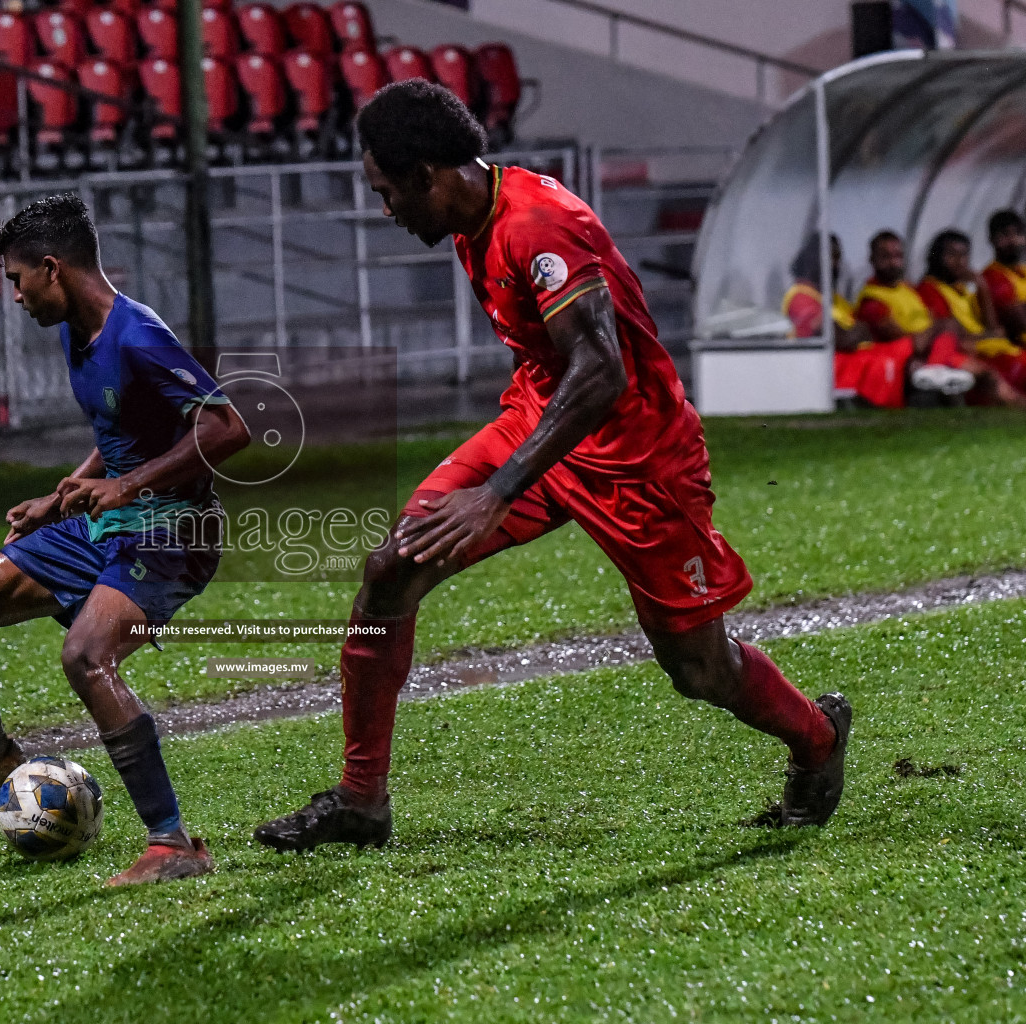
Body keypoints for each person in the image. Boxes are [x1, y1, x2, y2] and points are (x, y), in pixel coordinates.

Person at [253, 81, 852, 853]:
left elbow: (601, 372)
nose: (385, 210)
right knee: (392, 568)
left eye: (387, 192)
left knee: (698, 669)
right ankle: (362, 800)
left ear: (431, 175)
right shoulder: (475, 212)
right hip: (541, 422)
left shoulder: (539, 227)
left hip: (638, 457)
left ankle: (816, 739)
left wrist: (497, 493)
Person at [0, 193, 250, 886]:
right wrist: (60, 493)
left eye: (15, 280)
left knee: (86, 656)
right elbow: (120, 434)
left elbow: (226, 429)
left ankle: (174, 843)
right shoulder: (78, 329)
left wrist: (125, 490)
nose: (13, 295)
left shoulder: (139, 334)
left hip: (171, 535)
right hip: (105, 526)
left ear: (51, 268)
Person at [855, 231, 1005, 404]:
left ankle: (937, 370)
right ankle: (936, 370)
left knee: (986, 374)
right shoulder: (872, 300)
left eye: (898, 256)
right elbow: (900, 339)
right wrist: (935, 331)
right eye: (885, 256)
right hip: (910, 357)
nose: (893, 262)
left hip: (934, 351)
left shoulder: (908, 289)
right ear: (872, 259)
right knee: (950, 329)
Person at [783, 234, 905, 408]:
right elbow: (837, 337)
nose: (834, 264)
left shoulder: (832, 298)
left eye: (836, 258)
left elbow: (862, 331)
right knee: (887, 359)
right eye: (828, 257)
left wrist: (855, 333)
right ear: (811, 259)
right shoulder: (801, 296)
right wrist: (855, 333)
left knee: (890, 356)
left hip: (853, 363)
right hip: (825, 370)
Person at [918, 228, 1026, 398]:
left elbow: (993, 327)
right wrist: (988, 335)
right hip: (976, 353)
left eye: (964, 255)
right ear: (937, 257)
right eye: (952, 255)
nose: (960, 261)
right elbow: (952, 333)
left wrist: (983, 289)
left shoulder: (966, 288)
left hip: (994, 348)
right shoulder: (929, 289)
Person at [982, 209, 1026, 345]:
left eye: (1018, 234)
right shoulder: (992, 276)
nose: (1013, 240)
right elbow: (1018, 318)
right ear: (992, 239)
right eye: (1005, 235)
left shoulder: (1022, 271)